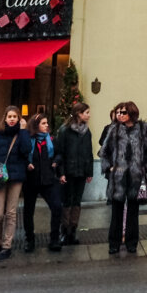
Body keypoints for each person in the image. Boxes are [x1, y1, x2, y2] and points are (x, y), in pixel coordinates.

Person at [100, 101, 147, 255]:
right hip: (118, 177)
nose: (120, 115)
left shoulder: (143, 129)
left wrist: (146, 167)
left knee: (133, 211)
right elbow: (103, 152)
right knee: (116, 211)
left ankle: (132, 243)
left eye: (123, 112)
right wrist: (109, 167)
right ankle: (114, 243)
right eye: (119, 113)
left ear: (132, 113)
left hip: (136, 176)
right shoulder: (114, 130)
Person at [0, 106, 29, 258]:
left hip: (16, 177)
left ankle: (6, 245)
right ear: (4, 118)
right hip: (0, 176)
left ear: (19, 119)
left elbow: (26, 150)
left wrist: (24, 131)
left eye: (15, 116)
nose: (12, 119)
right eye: (9, 116)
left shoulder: (22, 134)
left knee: (11, 213)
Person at [21, 112, 64, 252]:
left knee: (57, 207)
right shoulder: (28, 139)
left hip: (48, 179)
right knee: (28, 211)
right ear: (36, 125)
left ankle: (54, 239)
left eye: (47, 123)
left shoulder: (51, 139)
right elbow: (21, 154)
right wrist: (27, 163)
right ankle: (30, 240)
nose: (46, 126)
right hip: (31, 180)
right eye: (43, 123)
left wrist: (56, 162)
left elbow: (59, 153)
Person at [55, 102, 95, 245]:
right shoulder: (65, 130)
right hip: (69, 171)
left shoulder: (86, 132)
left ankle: (73, 231)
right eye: (87, 112)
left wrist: (89, 171)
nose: (89, 115)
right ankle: (64, 231)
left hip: (82, 171)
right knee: (67, 201)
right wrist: (61, 173)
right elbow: (60, 153)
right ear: (79, 113)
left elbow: (89, 152)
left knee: (77, 201)